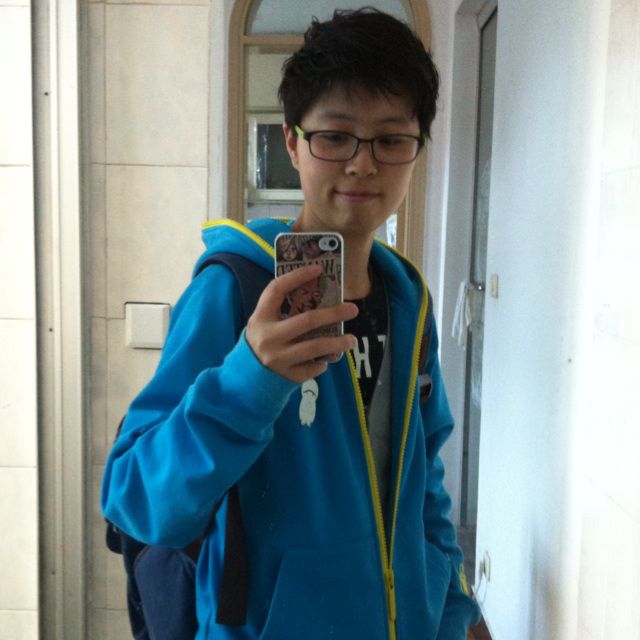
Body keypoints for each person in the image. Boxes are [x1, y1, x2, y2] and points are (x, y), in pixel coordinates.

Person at [102, 8, 480, 639]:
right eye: (335, 136)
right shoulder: (234, 290)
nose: (362, 165)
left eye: (391, 140)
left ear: (418, 150)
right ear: (293, 143)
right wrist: (249, 380)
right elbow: (137, 500)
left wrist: (454, 612)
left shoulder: (408, 299)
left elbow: (425, 486)